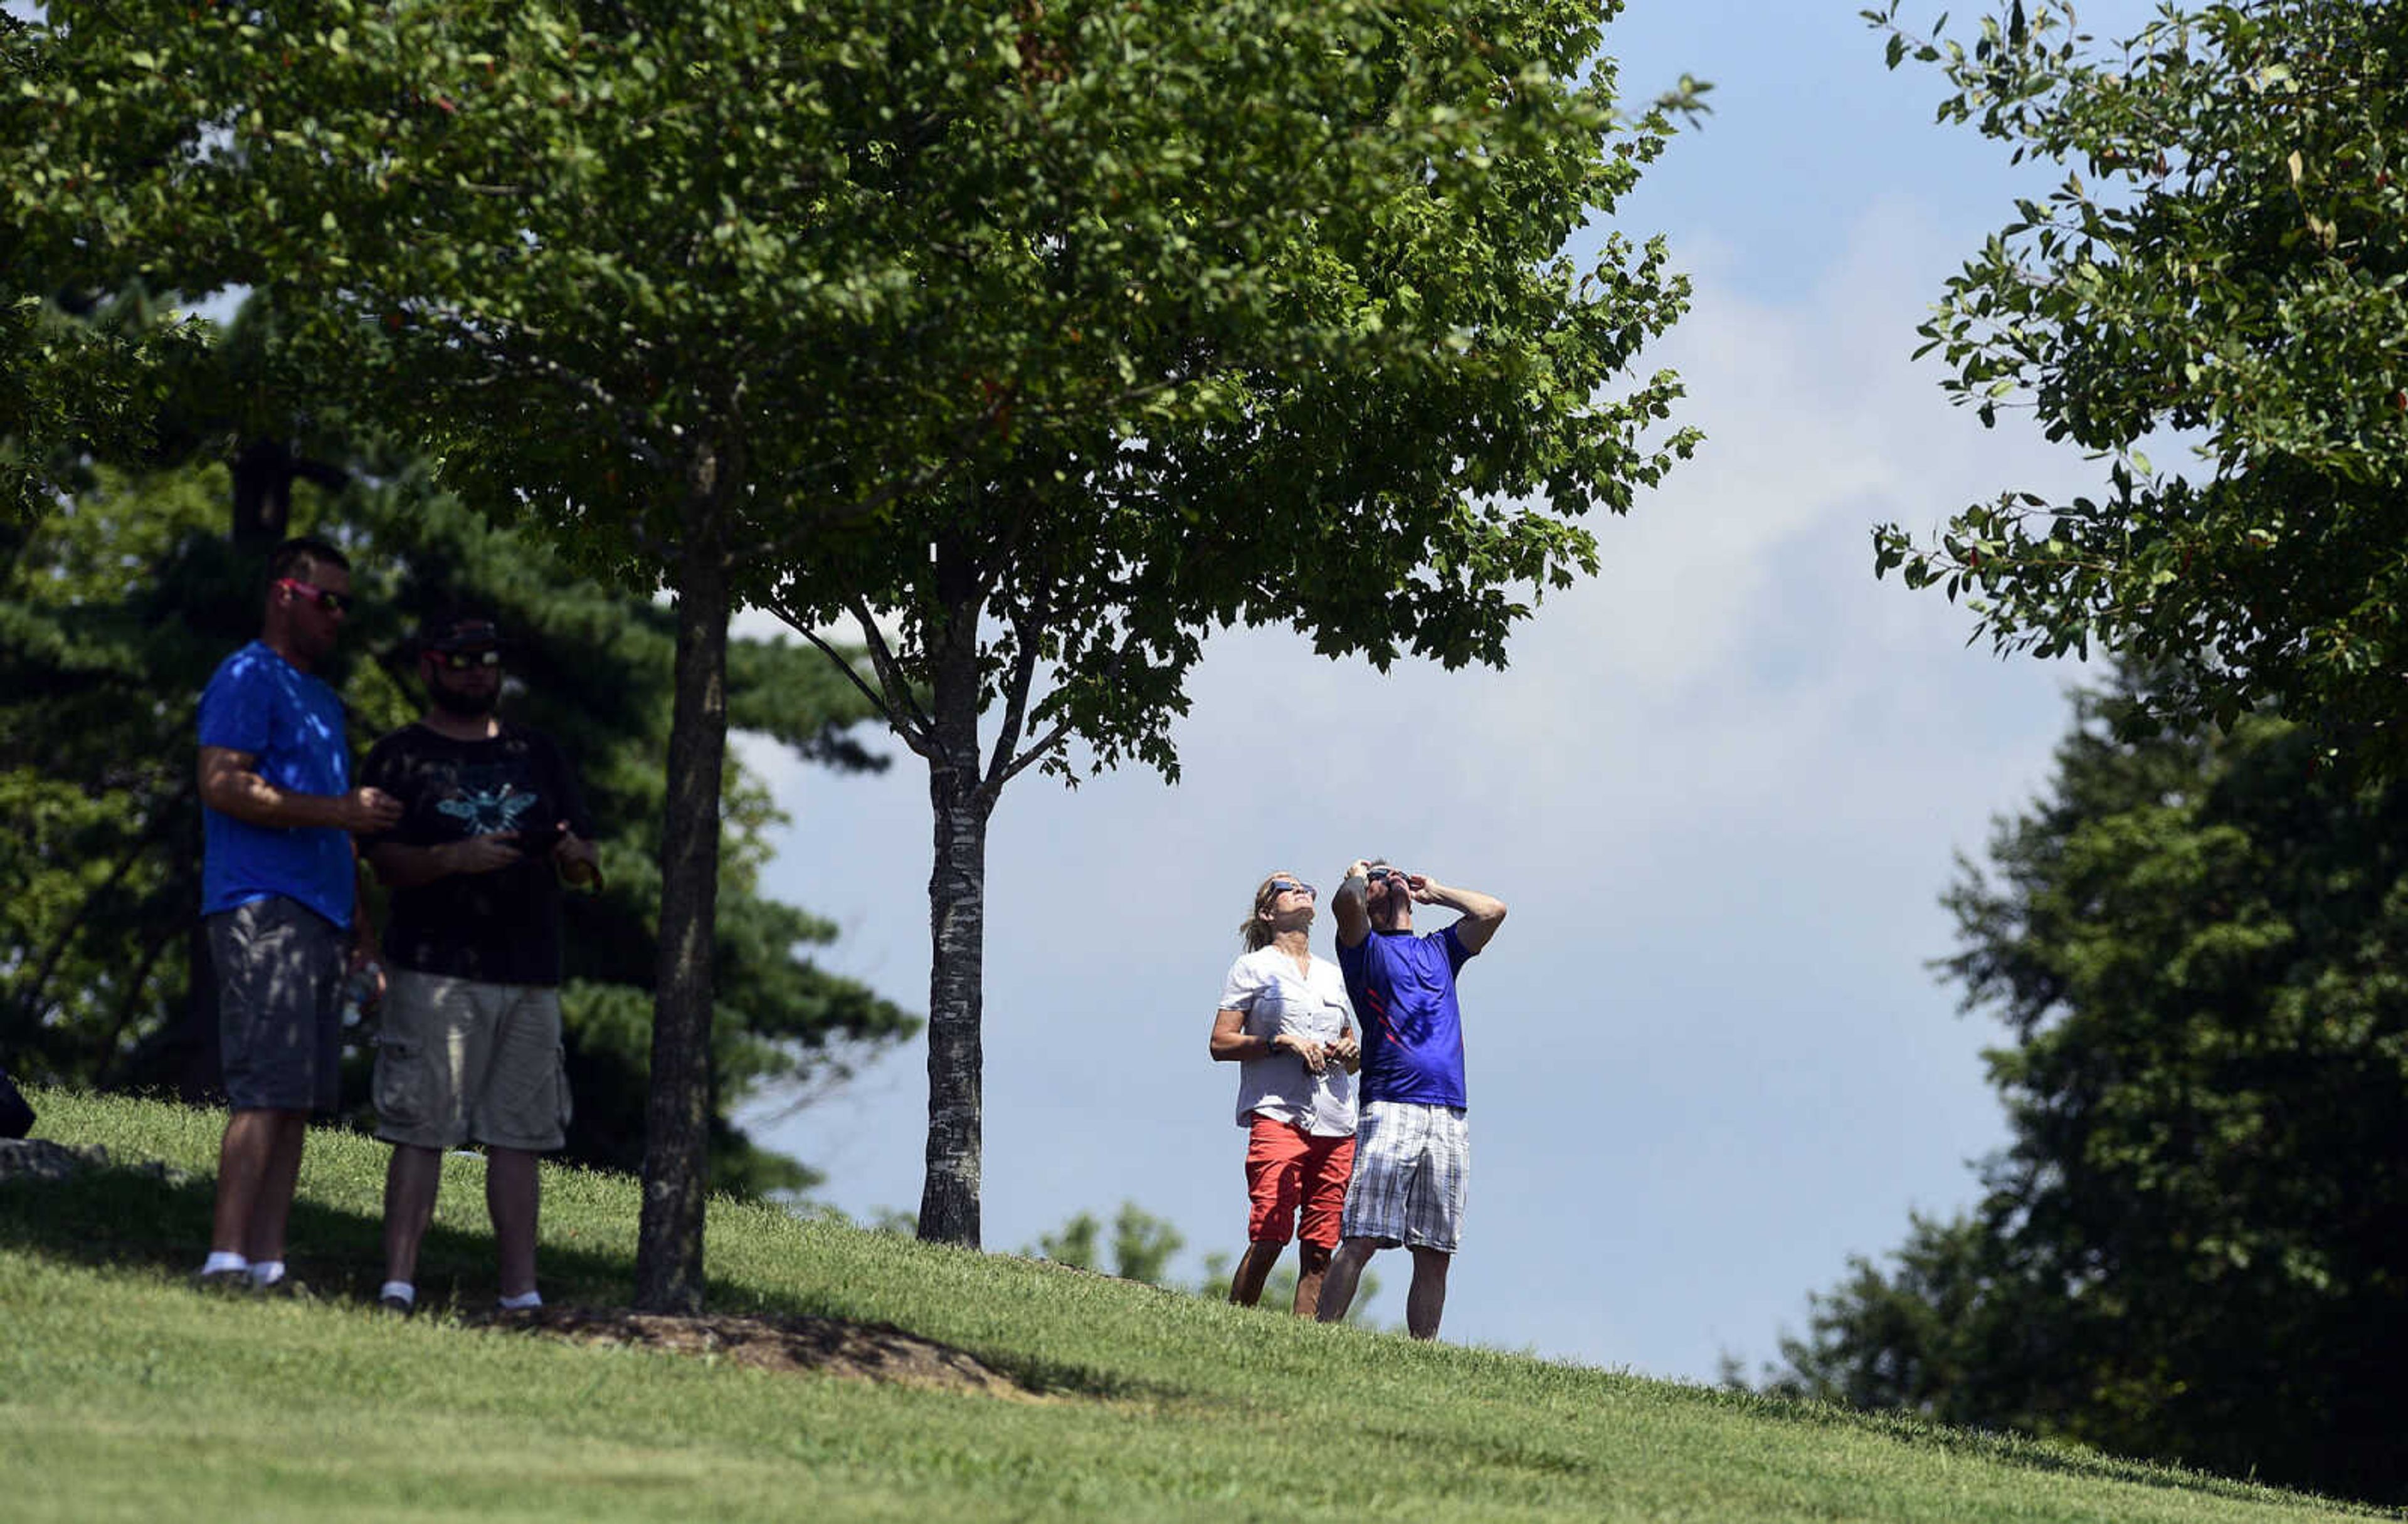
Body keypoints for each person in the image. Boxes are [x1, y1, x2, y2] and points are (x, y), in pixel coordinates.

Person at [359, 607, 600, 1315]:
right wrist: (449, 858)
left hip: (529, 971)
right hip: (433, 967)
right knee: (420, 1125)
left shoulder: (540, 753)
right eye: (462, 660)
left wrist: (577, 859)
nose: (479, 672)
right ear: (431, 666)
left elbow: (585, 856)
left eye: (489, 660)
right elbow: (379, 861)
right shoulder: (400, 756)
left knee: (520, 1134)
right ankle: (397, 1285)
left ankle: (520, 1295)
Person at [194, 537, 402, 1293]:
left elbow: (339, 828)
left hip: (320, 916)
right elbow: (221, 783)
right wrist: (337, 809)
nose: (340, 616)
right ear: (286, 593)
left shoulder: (318, 699)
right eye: (328, 600)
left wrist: (363, 935)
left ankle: (269, 1265)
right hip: (261, 904)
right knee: (265, 1090)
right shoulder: (248, 675)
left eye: (348, 603)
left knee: (299, 1098)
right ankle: (225, 1258)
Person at [1316, 858, 1506, 1339]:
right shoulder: (1365, 949)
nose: (1391, 875)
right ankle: (1320, 1334)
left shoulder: (1441, 949)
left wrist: (1437, 891)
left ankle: (1423, 1352)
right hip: (1391, 1104)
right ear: (1370, 899)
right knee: (1361, 1236)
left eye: (1394, 871)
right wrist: (1358, 874)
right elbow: (1343, 904)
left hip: (1448, 1109)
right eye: (1381, 877)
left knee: (1436, 1249)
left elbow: (1493, 911)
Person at [1208, 873, 1361, 1315]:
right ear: (1267, 911)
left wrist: (1351, 1051)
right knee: (1271, 1231)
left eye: (1306, 886)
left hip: (1336, 1120)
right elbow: (1220, 1043)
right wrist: (1281, 1042)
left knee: (1319, 1246)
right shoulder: (1252, 967)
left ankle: (1303, 1346)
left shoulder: (1333, 975)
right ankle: (1236, 1321)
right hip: (1278, 1113)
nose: (1302, 889)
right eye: (1286, 885)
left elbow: (1352, 1052)